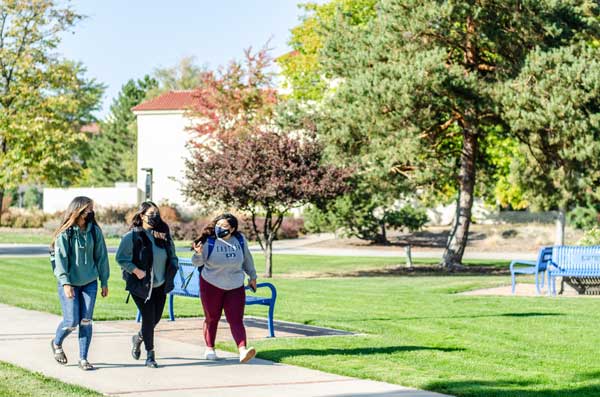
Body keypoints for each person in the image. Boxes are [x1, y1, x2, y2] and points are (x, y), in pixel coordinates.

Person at [50, 196, 110, 371]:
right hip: (69, 283)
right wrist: (66, 283)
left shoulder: (94, 231)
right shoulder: (65, 234)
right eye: (88, 209)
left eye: (92, 209)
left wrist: (104, 281)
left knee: (85, 321)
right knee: (71, 321)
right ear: (78, 210)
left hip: (90, 283)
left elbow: (101, 257)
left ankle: (83, 359)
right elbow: (60, 261)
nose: (91, 212)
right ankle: (56, 342)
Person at [116, 201, 178, 368]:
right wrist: (136, 270)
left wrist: (173, 266)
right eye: (151, 214)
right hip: (141, 286)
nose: (155, 217)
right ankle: (150, 355)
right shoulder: (132, 236)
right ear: (142, 216)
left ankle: (139, 338)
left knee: (155, 319)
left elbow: (172, 254)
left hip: (160, 284)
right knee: (149, 319)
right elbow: (121, 258)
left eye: (157, 214)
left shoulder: (162, 234)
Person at [192, 213, 258, 363]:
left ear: (233, 228)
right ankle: (210, 349)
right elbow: (197, 262)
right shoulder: (209, 242)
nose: (220, 228)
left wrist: (252, 277)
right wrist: (198, 254)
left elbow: (247, 258)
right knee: (212, 318)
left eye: (224, 226)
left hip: (235, 285)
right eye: (218, 225)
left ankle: (242, 350)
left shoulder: (239, 240)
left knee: (236, 318)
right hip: (211, 284)